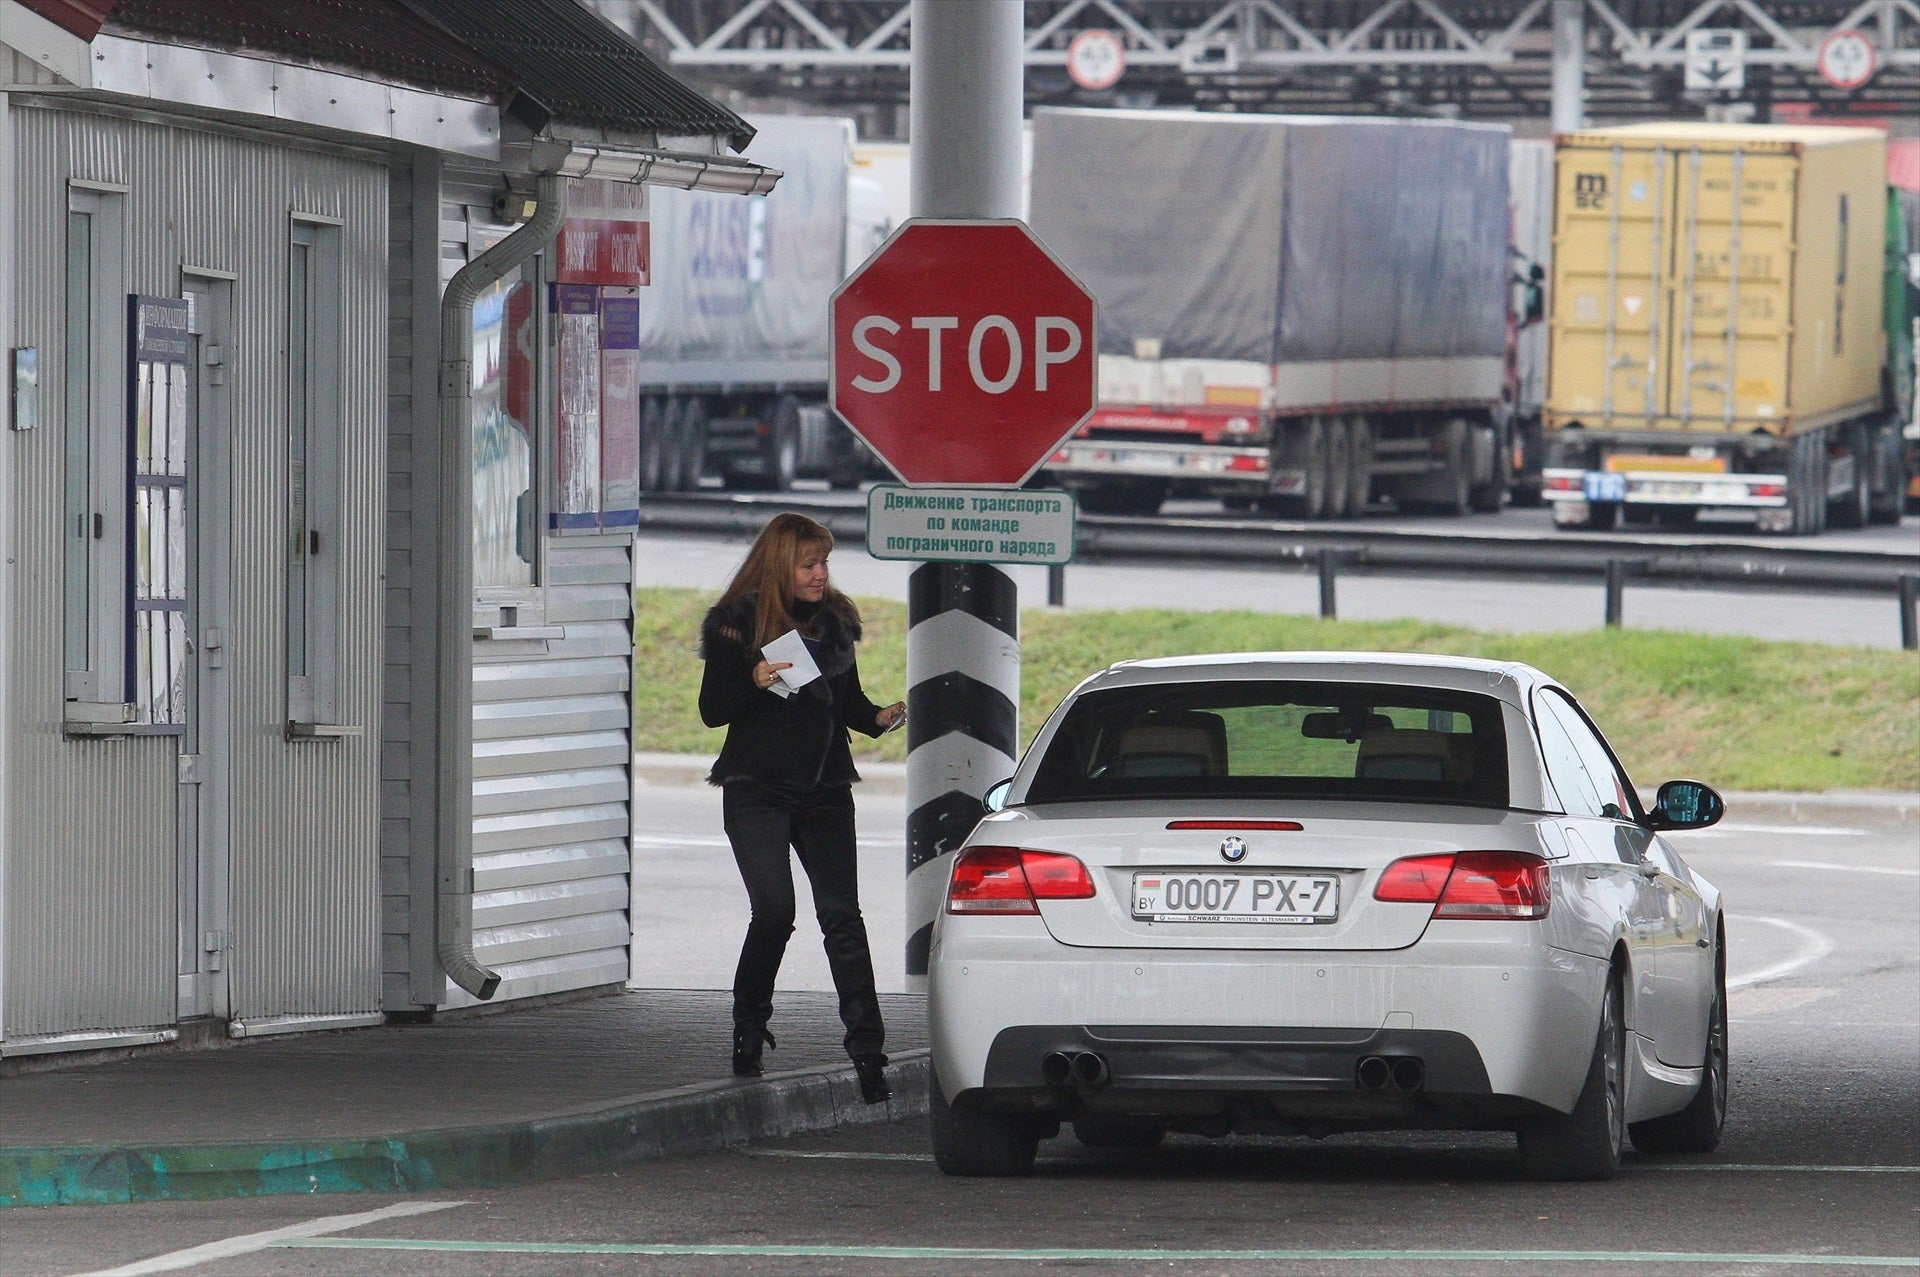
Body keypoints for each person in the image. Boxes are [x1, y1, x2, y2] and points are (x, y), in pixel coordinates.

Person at [697, 512, 905, 1104]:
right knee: (775, 910)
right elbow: (714, 710)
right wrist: (756, 679)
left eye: (825, 563)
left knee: (842, 917)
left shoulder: (834, 620)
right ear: (780, 565)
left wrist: (879, 719)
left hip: (824, 789)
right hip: (756, 788)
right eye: (810, 564)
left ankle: (868, 1053)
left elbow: (850, 704)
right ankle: (749, 1026)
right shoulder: (737, 624)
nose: (821, 574)